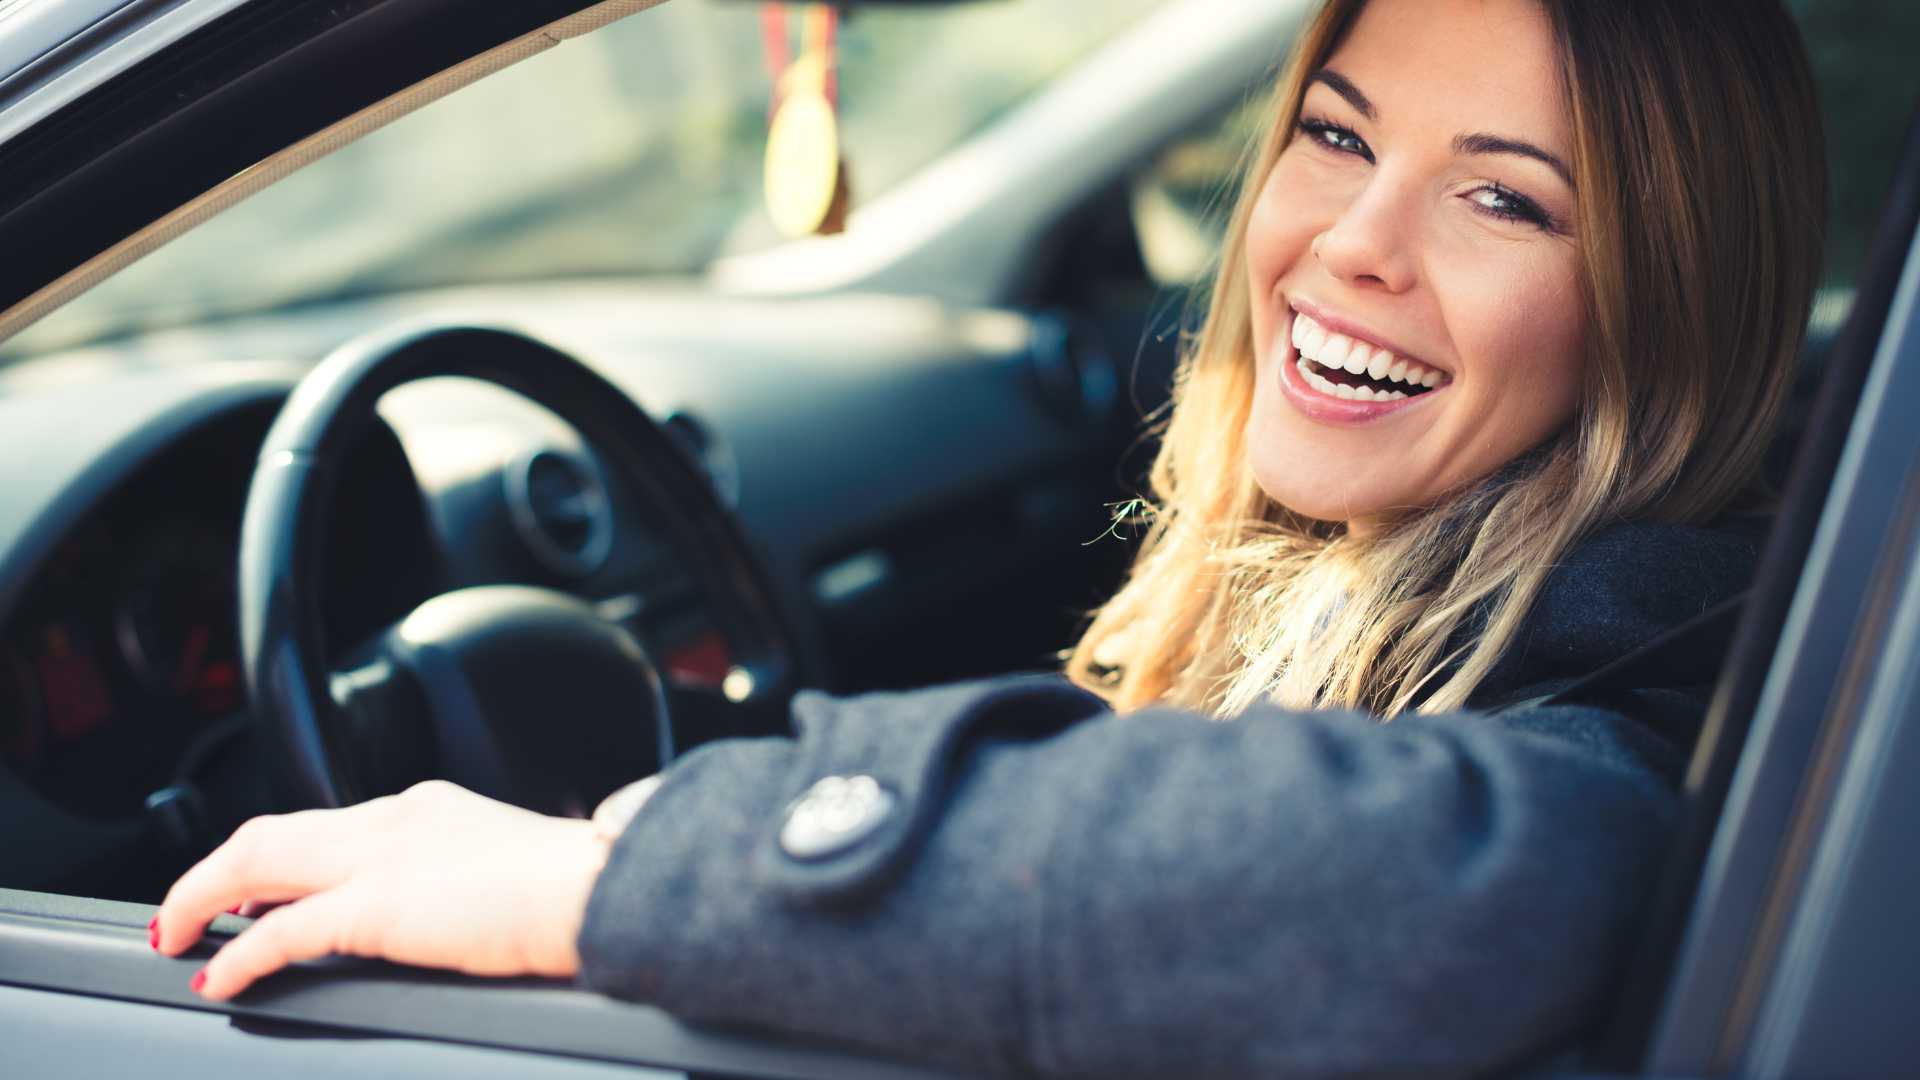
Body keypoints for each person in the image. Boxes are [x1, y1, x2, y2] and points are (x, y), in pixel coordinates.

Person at [151, 0, 1826, 1074]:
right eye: (1337, 130)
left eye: (1504, 195)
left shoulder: (1675, 684)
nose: (1353, 244)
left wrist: (621, 877)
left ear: (1661, 303)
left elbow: (1505, 877)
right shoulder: (1380, 596)